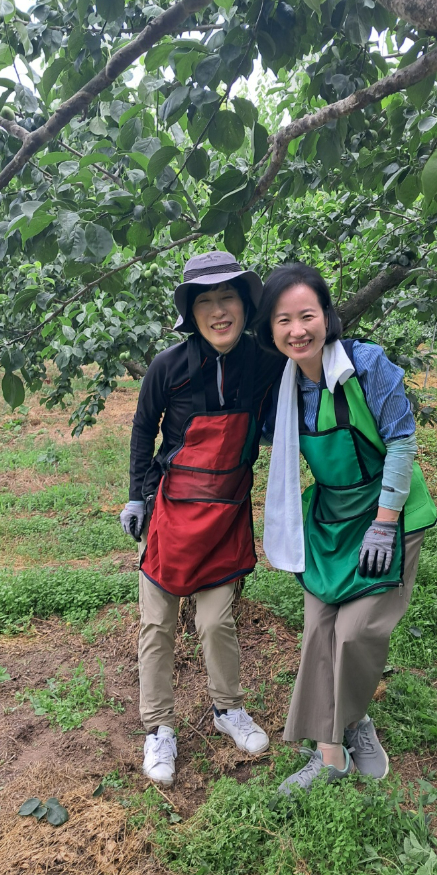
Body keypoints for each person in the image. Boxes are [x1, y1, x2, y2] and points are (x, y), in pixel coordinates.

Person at [254, 262, 437, 794]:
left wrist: (385, 523)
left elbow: (401, 440)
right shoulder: (283, 393)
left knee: (356, 632)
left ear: (326, 316)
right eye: (283, 320)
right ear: (271, 331)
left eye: (306, 315)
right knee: (319, 630)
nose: (297, 330)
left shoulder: (366, 365)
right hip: (332, 520)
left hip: (389, 512)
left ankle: (351, 720)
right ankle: (332, 752)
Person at [120, 251, 284, 788]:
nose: (218, 311)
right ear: (190, 313)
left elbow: (307, 361)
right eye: (205, 301)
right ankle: (158, 728)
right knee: (157, 623)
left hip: (227, 514)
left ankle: (227, 710)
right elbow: (145, 431)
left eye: (227, 298)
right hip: (172, 512)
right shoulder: (168, 366)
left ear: (244, 305)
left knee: (216, 621)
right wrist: (138, 498)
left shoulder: (264, 362)